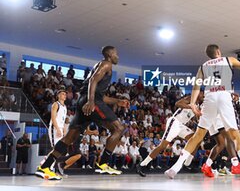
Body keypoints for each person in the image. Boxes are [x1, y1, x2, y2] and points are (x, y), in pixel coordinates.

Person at [164, 44, 240, 179]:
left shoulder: (203, 66)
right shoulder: (229, 60)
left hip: (209, 98)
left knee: (198, 135)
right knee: (234, 133)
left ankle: (175, 167)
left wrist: (192, 104)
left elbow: (196, 86)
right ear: (218, 52)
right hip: (223, 95)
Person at [36, 46, 129, 180]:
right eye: (116, 53)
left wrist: (117, 101)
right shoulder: (106, 64)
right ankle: (103, 164)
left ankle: (45, 167)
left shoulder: (101, 65)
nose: (118, 56)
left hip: (84, 101)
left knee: (69, 138)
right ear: (109, 55)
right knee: (119, 128)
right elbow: (93, 81)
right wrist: (91, 102)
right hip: (91, 102)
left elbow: (100, 95)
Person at [137, 94, 203, 177]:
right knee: (162, 146)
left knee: (196, 139)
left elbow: (196, 118)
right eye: (202, 94)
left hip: (181, 125)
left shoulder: (199, 106)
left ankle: (187, 163)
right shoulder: (191, 99)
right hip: (175, 122)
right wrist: (191, 107)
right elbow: (177, 103)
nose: (203, 96)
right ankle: (142, 165)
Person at [201, 93, 240, 177]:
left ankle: (207, 165)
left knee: (221, 143)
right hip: (217, 109)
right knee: (228, 136)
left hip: (207, 109)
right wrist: (233, 95)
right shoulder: (224, 84)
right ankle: (235, 164)